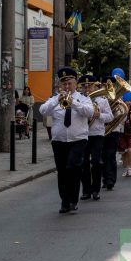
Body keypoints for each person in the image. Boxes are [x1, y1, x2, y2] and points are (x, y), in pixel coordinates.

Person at [39, 67, 94, 213]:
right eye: (64, 84)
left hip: (78, 140)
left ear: (76, 83)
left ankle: (73, 200)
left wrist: (73, 103)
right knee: (62, 171)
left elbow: (90, 112)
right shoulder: (54, 99)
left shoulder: (83, 98)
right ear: (60, 85)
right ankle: (65, 201)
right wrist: (57, 100)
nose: (67, 87)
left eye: (69, 83)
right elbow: (43, 110)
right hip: (59, 141)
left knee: (73, 167)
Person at [78, 75, 114, 201]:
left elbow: (110, 117)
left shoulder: (102, 100)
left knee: (96, 162)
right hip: (82, 135)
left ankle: (96, 190)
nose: (87, 88)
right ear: (80, 87)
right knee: (83, 163)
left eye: (90, 86)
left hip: (97, 134)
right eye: (84, 86)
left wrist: (99, 115)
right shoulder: (78, 100)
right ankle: (86, 190)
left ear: (94, 86)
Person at [101, 75, 124, 190]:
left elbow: (123, 117)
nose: (107, 88)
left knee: (110, 155)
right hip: (100, 130)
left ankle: (110, 180)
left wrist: (115, 113)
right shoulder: (98, 98)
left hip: (113, 130)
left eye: (109, 85)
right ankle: (105, 178)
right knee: (102, 156)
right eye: (105, 85)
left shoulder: (118, 99)